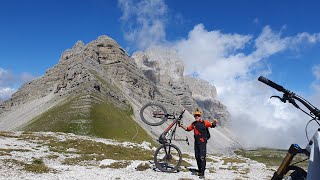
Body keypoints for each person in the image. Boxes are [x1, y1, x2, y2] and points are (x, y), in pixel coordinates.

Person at [179, 108, 218, 179]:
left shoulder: (204, 122)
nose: (197, 116)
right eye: (195, 115)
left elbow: (212, 125)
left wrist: (215, 122)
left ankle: (202, 173)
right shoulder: (193, 124)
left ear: (200, 116)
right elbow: (188, 129)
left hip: (202, 142)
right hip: (196, 143)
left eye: (198, 115)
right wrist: (181, 126)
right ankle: (200, 170)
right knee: (197, 157)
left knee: (202, 157)